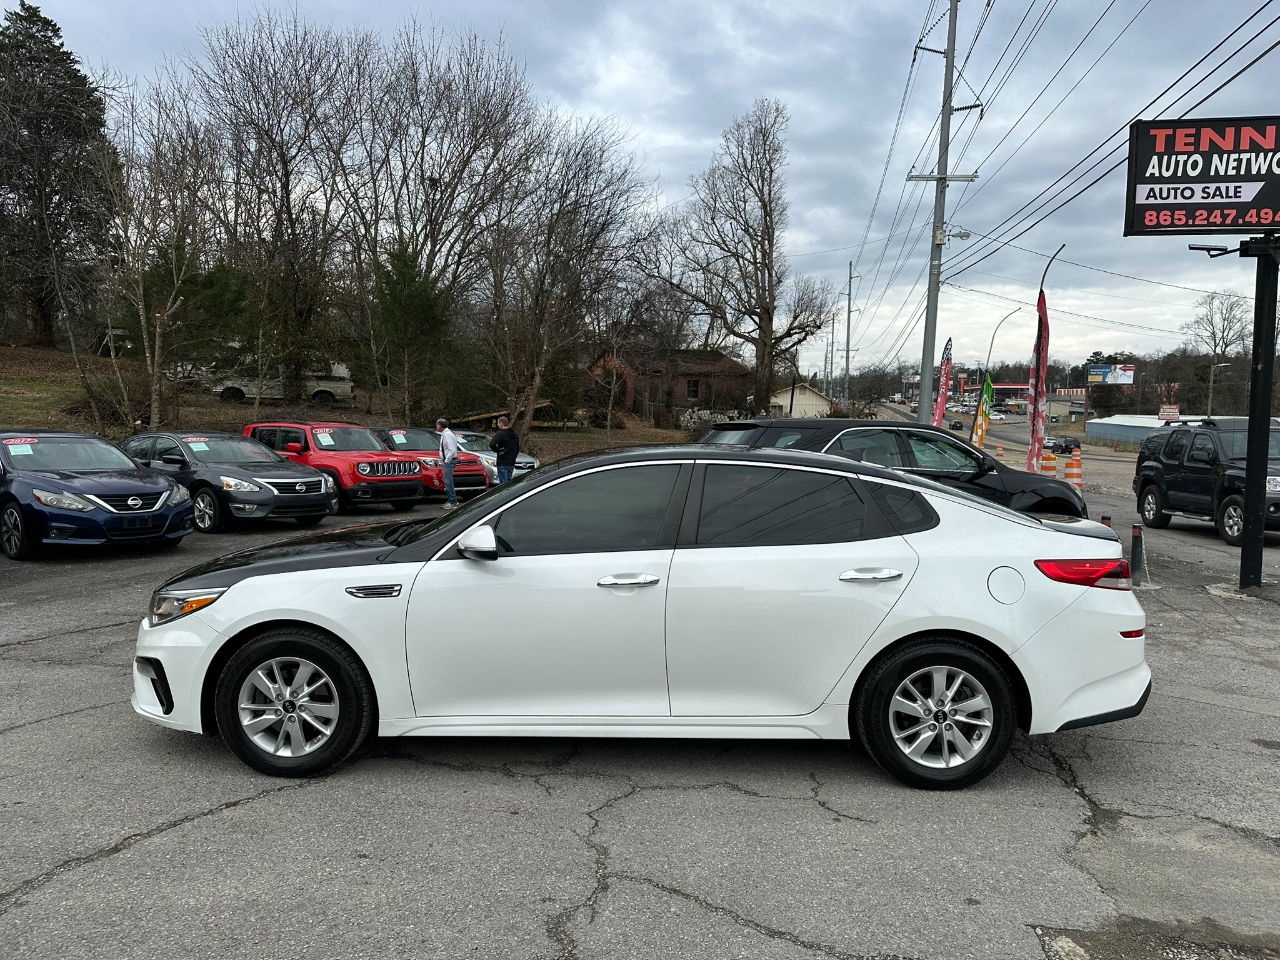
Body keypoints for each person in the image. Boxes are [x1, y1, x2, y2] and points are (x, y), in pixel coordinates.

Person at [436, 418, 459, 509]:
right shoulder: (447, 434)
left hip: (449, 461)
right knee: (448, 480)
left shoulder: (447, 435)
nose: (436, 427)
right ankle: (452, 500)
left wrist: (447, 460)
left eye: (437, 425)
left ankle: (452, 501)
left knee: (448, 481)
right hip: (449, 460)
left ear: (441, 426)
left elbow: (452, 449)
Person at [490, 416, 520, 484]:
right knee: (508, 484)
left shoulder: (501, 434)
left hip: (503, 462)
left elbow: (492, 444)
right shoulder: (514, 435)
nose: (497, 425)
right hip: (511, 462)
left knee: (503, 484)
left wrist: (498, 450)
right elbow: (517, 448)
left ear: (501, 423)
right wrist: (513, 457)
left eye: (498, 423)